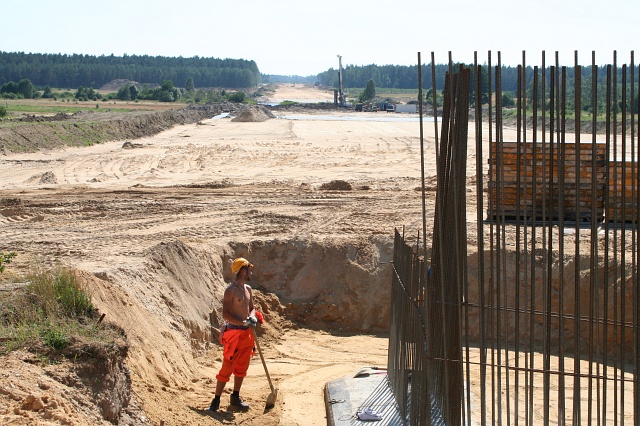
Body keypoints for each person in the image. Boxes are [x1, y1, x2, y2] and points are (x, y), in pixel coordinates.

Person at [208, 257, 259, 412]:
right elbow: (226, 313)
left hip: (246, 335)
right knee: (227, 367)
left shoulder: (248, 289)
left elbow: (252, 308)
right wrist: (242, 322)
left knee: (242, 366)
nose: (251, 271)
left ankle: (235, 397)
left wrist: (253, 317)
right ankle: (216, 400)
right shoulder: (230, 290)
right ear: (242, 270)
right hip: (233, 334)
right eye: (248, 268)